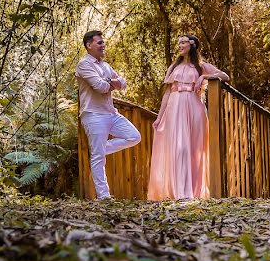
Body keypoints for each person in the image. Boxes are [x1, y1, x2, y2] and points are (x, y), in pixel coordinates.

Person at [147, 34, 230, 200]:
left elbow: (225, 76)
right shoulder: (173, 68)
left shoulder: (201, 66)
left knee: (193, 149)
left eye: (183, 42)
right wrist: (159, 116)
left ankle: (193, 191)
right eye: (179, 42)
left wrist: (205, 76)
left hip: (194, 107)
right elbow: (167, 94)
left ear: (192, 45)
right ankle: (180, 192)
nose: (180, 45)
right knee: (179, 148)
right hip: (175, 107)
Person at [75, 30, 141, 200]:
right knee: (98, 158)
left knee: (134, 136)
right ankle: (104, 197)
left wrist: (112, 83)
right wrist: (113, 83)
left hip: (111, 113)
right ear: (89, 45)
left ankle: (102, 148)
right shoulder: (84, 64)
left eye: (103, 42)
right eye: (99, 43)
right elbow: (100, 87)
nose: (103, 45)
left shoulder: (105, 65)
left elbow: (123, 83)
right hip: (93, 115)